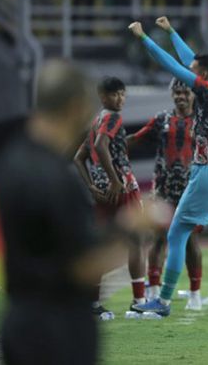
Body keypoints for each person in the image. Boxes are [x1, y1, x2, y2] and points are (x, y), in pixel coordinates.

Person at [0, 60, 161, 365]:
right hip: (56, 333)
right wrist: (132, 226)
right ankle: (140, 300)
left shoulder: (11, 160)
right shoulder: (53, 177)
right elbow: (82, 266)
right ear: (74, 106)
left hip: (21, 322)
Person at [128, 17, 208, 317]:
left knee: (176, 234)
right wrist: (172, 30)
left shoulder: (206, 90)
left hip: (205, 171)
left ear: (205, 75)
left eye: (196, 72)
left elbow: (173, 67)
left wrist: (143, 37)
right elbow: (190, 60)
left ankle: (162, 302)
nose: (190, 72)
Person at [73, 77, 146, 317]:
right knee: (135, 242)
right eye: (115, 94)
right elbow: (101, 145)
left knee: (101, 246)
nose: (120, 99)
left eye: (123, 94)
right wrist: (115, 180)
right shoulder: (112, 118)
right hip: (122, 188)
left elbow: (79, 157)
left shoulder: (96, 120)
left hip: (102, 193)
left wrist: (92, 185)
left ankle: (94, 305)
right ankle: (139, 301)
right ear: (103, 96)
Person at [127, 80, 202, 309]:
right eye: (177, 92)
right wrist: (115, 148)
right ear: (171, 94)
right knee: (158, 238)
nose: (180, 96)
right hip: (163, 188)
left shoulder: (201, 122)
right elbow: (136, 138)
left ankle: (195, 294)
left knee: (190, 240)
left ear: (192, 95)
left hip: (191, 188)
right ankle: (155, 289)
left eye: (185, 92)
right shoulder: (162, 120)